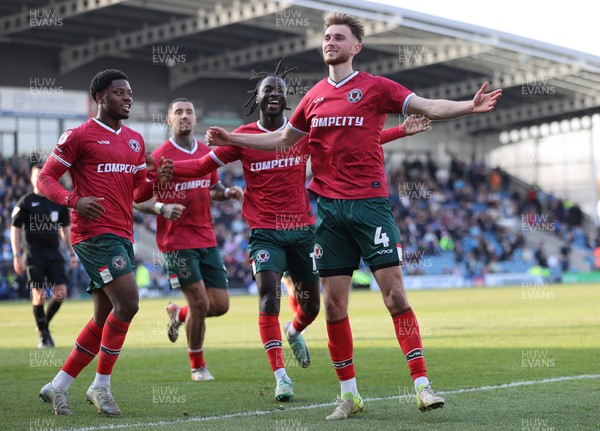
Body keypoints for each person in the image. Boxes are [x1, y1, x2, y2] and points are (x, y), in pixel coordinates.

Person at [204, 12, 502, 420]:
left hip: (370, 206)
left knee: (395, 295)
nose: (330, 41)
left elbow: (427, 105)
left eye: (339, 37)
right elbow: (278, 139)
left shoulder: (376, 87)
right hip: (327, 213)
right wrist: (230, 136)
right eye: (326, 36)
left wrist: (469, 106)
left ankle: (421, 384)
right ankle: (349, 395)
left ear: (355, 47)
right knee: (333, 306)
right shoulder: (311, 98)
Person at [171, 57, 431, 402]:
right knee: (268, 295)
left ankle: (294, 330)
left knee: (311, 308)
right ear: (258, 98)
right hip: (265, 231)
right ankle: (281, 377)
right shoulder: (243, 138)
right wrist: (159, 167)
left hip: (305, 230)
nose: (274, 94)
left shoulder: (303, 133)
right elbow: (202, 165)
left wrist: (402, 130)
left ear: (286, 98)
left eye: (280, 90)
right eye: (268, 90)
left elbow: (353, 139)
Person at [36, 69, 172, 417]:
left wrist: (157, 180)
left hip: (122, 232)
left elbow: (137, 192)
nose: (127, 97)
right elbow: (46, 178)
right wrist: (72, 200)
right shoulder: (79, 135)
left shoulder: (135, 140)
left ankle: (58, 386)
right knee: (128, 304)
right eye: (119, 92)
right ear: (100, 97)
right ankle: (101, 386)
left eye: (130, 92)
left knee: (103, 316)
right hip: (93, 233)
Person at [133, 98, 243, 382]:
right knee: (199, 302)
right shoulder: (158, 157)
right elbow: (137, 199)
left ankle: (178, 315)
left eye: (189, 112)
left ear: (195, 119)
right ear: (169, 120)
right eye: (178, 112)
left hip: (206, 237)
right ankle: (198, 366)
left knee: (219, 305)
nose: (184, 116)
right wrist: (162, 207)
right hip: (176, 242)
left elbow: (213, 189)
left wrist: (227, 193)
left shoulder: (207, 153)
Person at [10, 163, 77, 348]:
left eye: (42, 175)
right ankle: (44, 336)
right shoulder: (25, 202)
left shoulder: (57, 201)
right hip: (33, 254)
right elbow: (14, 229)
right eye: (36, 175)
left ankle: (43, 325)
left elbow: (65, 230)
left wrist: (71, 253)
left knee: (61, 293)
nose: (39, 179)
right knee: (38, 293)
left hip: (54, 253)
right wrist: (17, 255)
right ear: (31, 179)